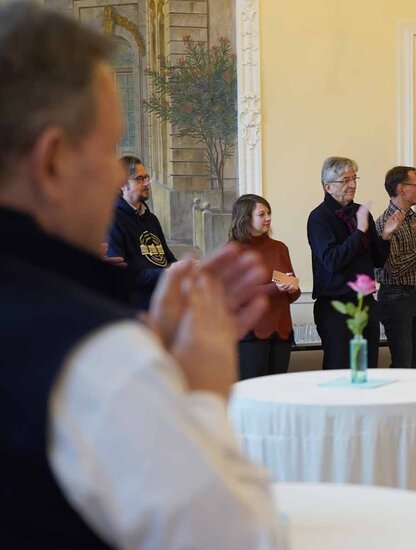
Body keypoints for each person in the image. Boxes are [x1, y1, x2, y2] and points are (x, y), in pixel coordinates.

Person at [0, 3, 284, 547]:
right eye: (109, 149)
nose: (117, 174)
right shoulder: (93, 357)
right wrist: (200, 396)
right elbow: (243, 538)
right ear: (53, 162)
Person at [307, 156, 400, 371]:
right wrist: (359, 232)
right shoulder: (318, 218)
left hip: (366, 304)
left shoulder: (361, 212)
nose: (353, 185)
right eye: (346, 180)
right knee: (340, 370)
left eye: (354, 178)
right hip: (335, 307)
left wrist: (385, 237)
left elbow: (377, 261)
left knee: (367, 370)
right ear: (328, 186)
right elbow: (332, 260)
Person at [375, 166, 416, 369]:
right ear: (401, 188)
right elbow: (393, 269)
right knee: (403, 364)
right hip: (395, 299)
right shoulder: (384, 223)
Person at [229, 194, 301, 379]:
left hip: (281, 332)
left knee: (277, 391)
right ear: (246, 218)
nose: (268, 218)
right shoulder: (233, 250)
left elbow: (292, 295)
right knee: (254, 393)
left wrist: (292, 288)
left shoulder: (280, 248)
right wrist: (274, 288)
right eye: (261, 214)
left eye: (269, 213)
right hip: (251, 334)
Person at [107, 155, 177, 309]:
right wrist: (167, 273)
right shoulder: (111, 219)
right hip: (136, 309)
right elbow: (122, 274)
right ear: (122, 185)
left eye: (146, 177)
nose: (147, 183)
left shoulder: (151, 219)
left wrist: (184, 269)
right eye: (139, 179)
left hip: (163, 303)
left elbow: (167, 259)